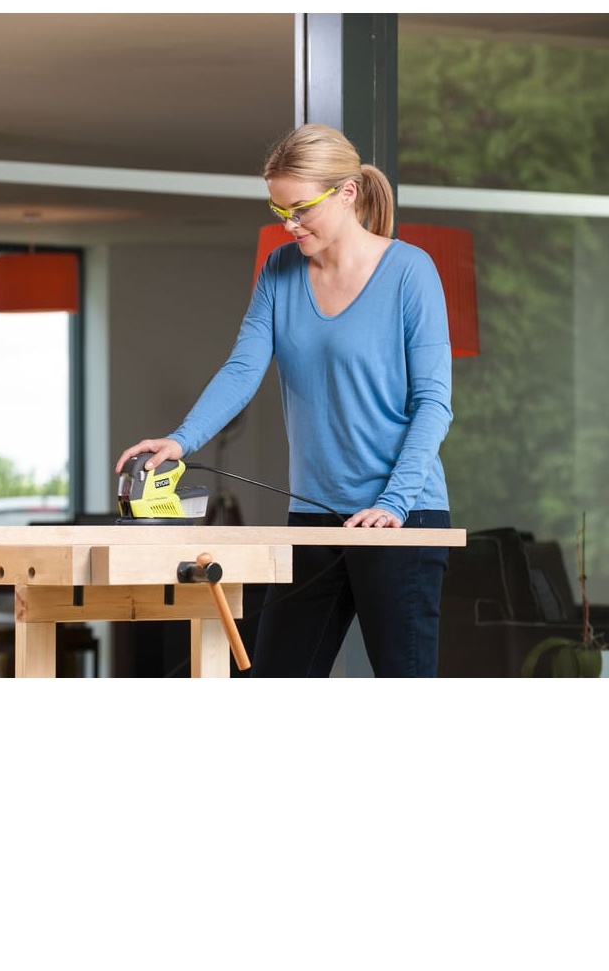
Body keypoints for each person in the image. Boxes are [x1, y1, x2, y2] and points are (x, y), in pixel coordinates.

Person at [114, 122, 454, 677]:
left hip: (402, 516)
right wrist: (180, 441)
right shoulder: (280, 270)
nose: (289, 225)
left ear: (346, 193)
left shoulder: (410, 272)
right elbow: (242, 369)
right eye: (280, 211)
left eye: (300, 210)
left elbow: (434, 402)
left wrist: (393, 503)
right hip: (313, 517)